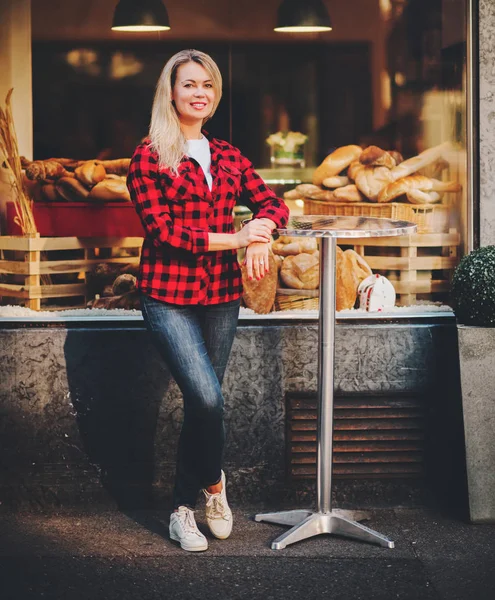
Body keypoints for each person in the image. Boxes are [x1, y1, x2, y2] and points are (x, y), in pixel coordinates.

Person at [127, 49, 289, 552]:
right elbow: (166, 232)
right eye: (189, 84)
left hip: (220, 296)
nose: (199, 93)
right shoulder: (149, 156)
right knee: (207, 398)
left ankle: (190, 503)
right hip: (167, 296)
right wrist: (237, 240)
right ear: (170, 93)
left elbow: (273, 201)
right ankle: (207, 491)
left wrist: (262, 231)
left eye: (208, 86)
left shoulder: (227, 156)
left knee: (204, 407)